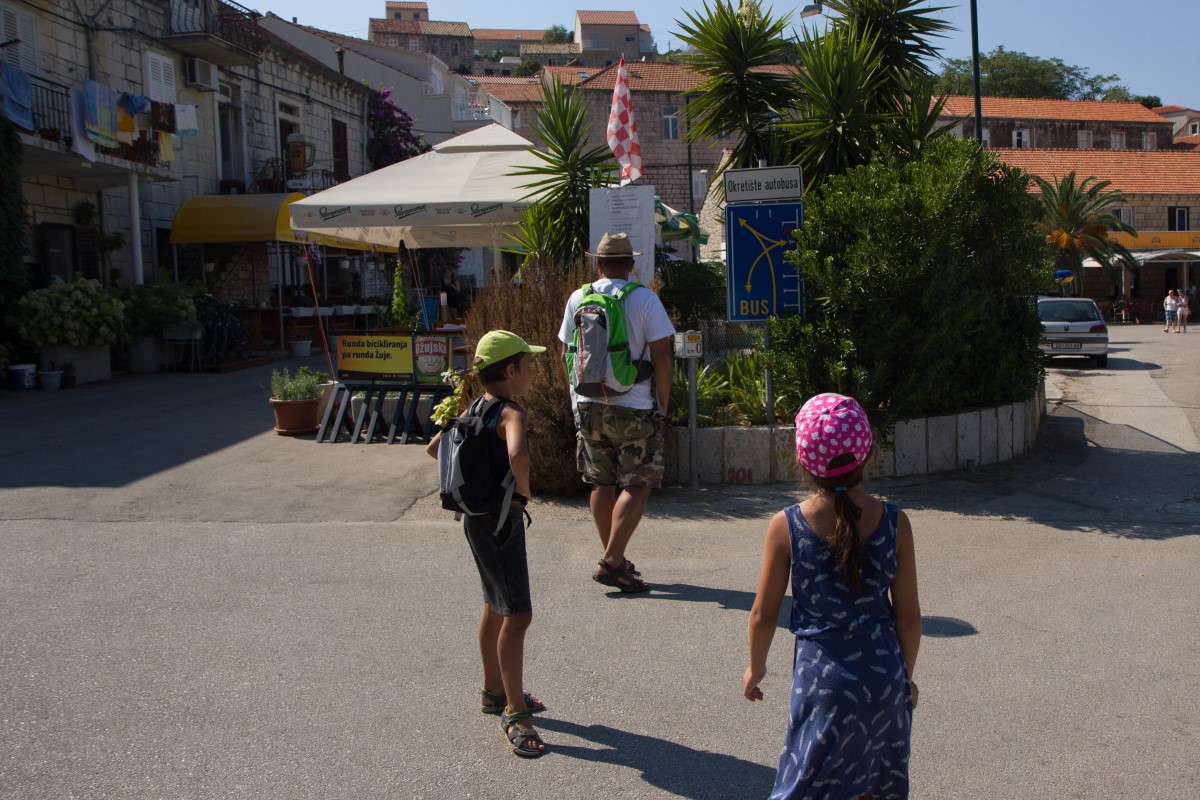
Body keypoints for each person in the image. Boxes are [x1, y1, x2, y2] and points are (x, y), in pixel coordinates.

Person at [744, 393, 922, 799]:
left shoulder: (785, 526)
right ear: (870, 452)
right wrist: (904, 678)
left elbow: (763, 614)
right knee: (874, 786)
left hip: (823, 683)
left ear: (803, 462)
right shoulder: (896, 523)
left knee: (809, 785)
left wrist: (755, 668)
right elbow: (908, 618)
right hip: (883, 679)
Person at [426, 330, 548, 758]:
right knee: (518, 614)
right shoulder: (512, 412)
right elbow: (518, 455)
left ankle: (494, 690)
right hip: (501, 523)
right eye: (528, 366)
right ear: (510, 370)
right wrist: (525, 491)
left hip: (476, 521)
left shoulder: (475, 407)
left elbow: (434, 448)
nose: (533, 373)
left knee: (494, 605)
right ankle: (515, 713)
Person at [558, 232, 674, 593]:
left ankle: (615, 558)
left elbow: (565, 350)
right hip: (633, 405)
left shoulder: (579, 297)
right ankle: (611, 561)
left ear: (598, 264)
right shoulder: (644, 299)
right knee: (639, 482)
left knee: (600, 481)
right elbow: (662, 356)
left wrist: (575, 400)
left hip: (589, 403)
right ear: (632, 265)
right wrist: (664, 403)